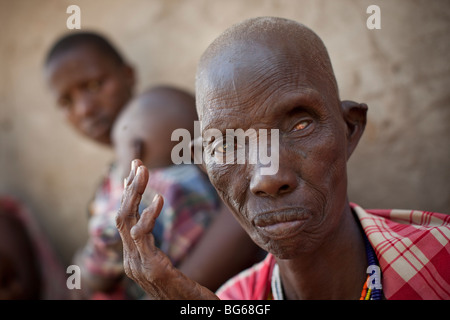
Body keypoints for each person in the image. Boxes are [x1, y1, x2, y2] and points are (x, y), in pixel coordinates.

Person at [115, 17, 450, 300]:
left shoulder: (441, 260)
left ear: (350, 129)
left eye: (300, 124)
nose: (268, 178)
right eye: (228, 144)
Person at [75, 86, 264, 299]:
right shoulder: (204, 184)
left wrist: (85, 272)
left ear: (136, 150)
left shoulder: (136, 198)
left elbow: (102, 258)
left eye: (119, 155)